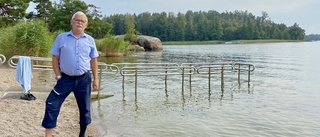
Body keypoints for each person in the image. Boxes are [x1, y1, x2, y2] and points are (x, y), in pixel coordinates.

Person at [41, 11, 99, 137]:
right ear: (71, 22)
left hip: (84, 79)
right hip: (65, 79)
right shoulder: (61, 38)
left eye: (82, 21)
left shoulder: (90, 40)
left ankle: (82, 134)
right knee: (51, 103)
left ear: (86, 25)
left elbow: (93, 60)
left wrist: (95, 79)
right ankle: (48, 135)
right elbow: (55, 58)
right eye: (77, 19)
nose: (79, 22)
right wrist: (58, 75)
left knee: (85, 109)